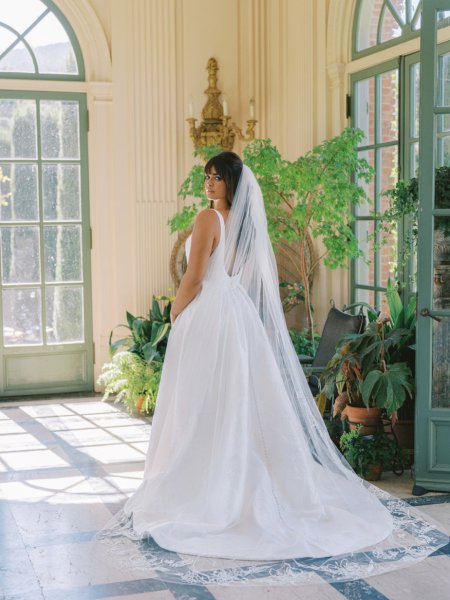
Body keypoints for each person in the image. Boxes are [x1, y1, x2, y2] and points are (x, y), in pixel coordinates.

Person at [100, 151, 448, 586]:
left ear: (231, 182)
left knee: (202, 402)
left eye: (216, 177)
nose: (208, 183)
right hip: (235, 316)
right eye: (206, 176)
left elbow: (193, 277)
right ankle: (233, 475)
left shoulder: (209, 219)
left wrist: (176, 315)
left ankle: (207, 484)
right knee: (233, 401)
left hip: (208, 314)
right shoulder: (242, 223)